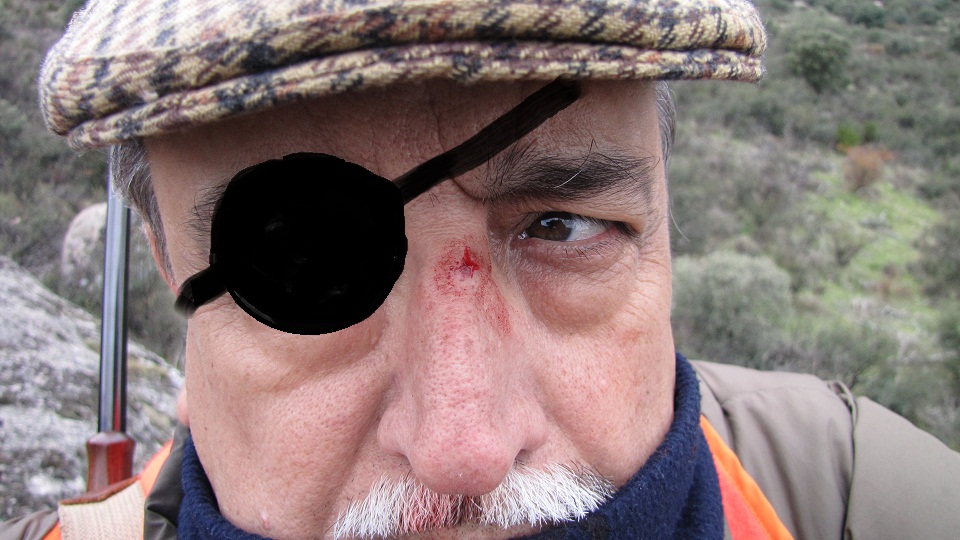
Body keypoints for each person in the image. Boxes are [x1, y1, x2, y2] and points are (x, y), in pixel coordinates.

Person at [4, 0, 959, 538]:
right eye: (302, 260)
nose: (464, 449)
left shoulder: (855, 497)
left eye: (560, 226)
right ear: (169, 269)